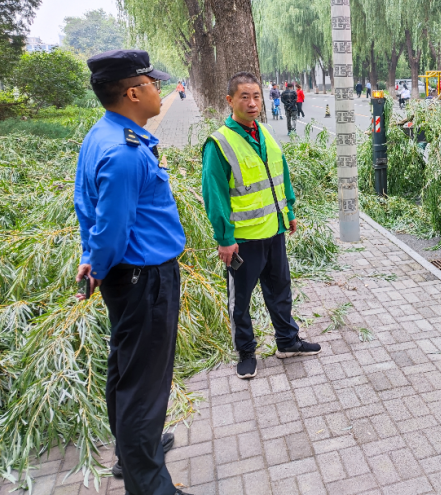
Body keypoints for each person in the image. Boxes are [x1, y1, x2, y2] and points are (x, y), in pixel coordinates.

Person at [74, 50, 188, 495]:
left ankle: (132, 450)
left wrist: (95, 262)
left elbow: (95, 216)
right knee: (144, 385)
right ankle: (150, 484)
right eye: (153, 83)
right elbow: (112, 226)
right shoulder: (123, 152)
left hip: (128, 277)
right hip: (144, 279)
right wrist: (97, 262)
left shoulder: (105, 136)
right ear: (133, 92)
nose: (161, 90)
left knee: (126, 368)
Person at [202, 72, 320, 379]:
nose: (253, 103)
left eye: (256, 96)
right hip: (242, 240)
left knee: (280, 290)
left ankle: (288, 341)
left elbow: (282, 174)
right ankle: (246, 352)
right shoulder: (219, 144)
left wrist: (289, 210)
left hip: (274, 231)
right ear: (230, 101)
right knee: (240, 301)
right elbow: (214, 196)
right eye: (245, 97)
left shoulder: (264, 133)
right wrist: (224, 238)